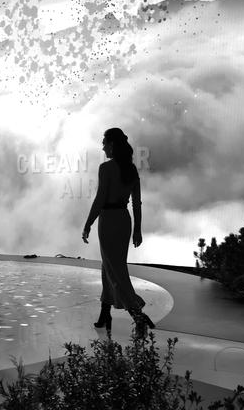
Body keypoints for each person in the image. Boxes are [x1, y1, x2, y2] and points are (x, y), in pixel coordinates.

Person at [81, 127, 155, 337]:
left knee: (115, 271)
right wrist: (138, 229)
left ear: (112, 144)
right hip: (124, 220)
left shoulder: (106, 168)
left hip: (109, 220)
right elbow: (137, 203)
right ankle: (105, 314)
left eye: (104, 142)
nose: (102, 146)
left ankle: (138, 316)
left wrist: (88, 223)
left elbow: (100, 199)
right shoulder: (131, 170)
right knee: (109, 267)